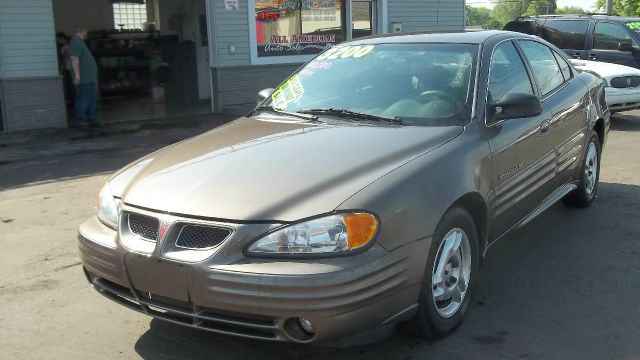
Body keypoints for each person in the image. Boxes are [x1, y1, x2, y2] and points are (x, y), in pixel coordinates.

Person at [68, 25, 100, 129]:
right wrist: (77, 75)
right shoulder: (75, 42)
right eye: (86, 31)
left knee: (91, 100)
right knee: (83, 100)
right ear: (83, 31)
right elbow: (74, 59)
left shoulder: (81, 42)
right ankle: (81, 121)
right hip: (84, 78)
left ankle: (92, 120)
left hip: (89, 78)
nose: (87, 33)